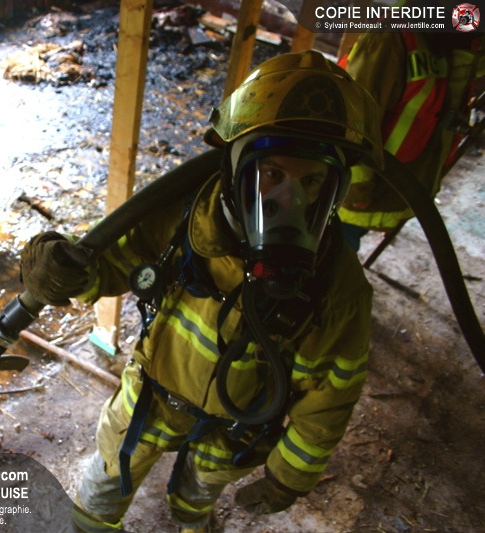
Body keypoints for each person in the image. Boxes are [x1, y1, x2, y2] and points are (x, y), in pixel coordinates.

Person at [20, 50, 382, 533]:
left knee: (196, 499)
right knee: (106, 482)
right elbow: (107, 266)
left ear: (335, 189)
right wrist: (56, 268)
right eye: (272, 173)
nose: (288, 201)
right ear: (234, 166)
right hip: (151, 398)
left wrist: (289, 477)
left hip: (234, 429)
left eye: (312, 180)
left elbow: (330, 397)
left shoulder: (337, 288)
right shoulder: (182, 219)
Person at [338, 30, 484, 250]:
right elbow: (350, 118)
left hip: (394, 188)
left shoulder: (453, 43)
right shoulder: (391, 39)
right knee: (327, 256)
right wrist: (354, 188)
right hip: (355, 192)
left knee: (339, 256)